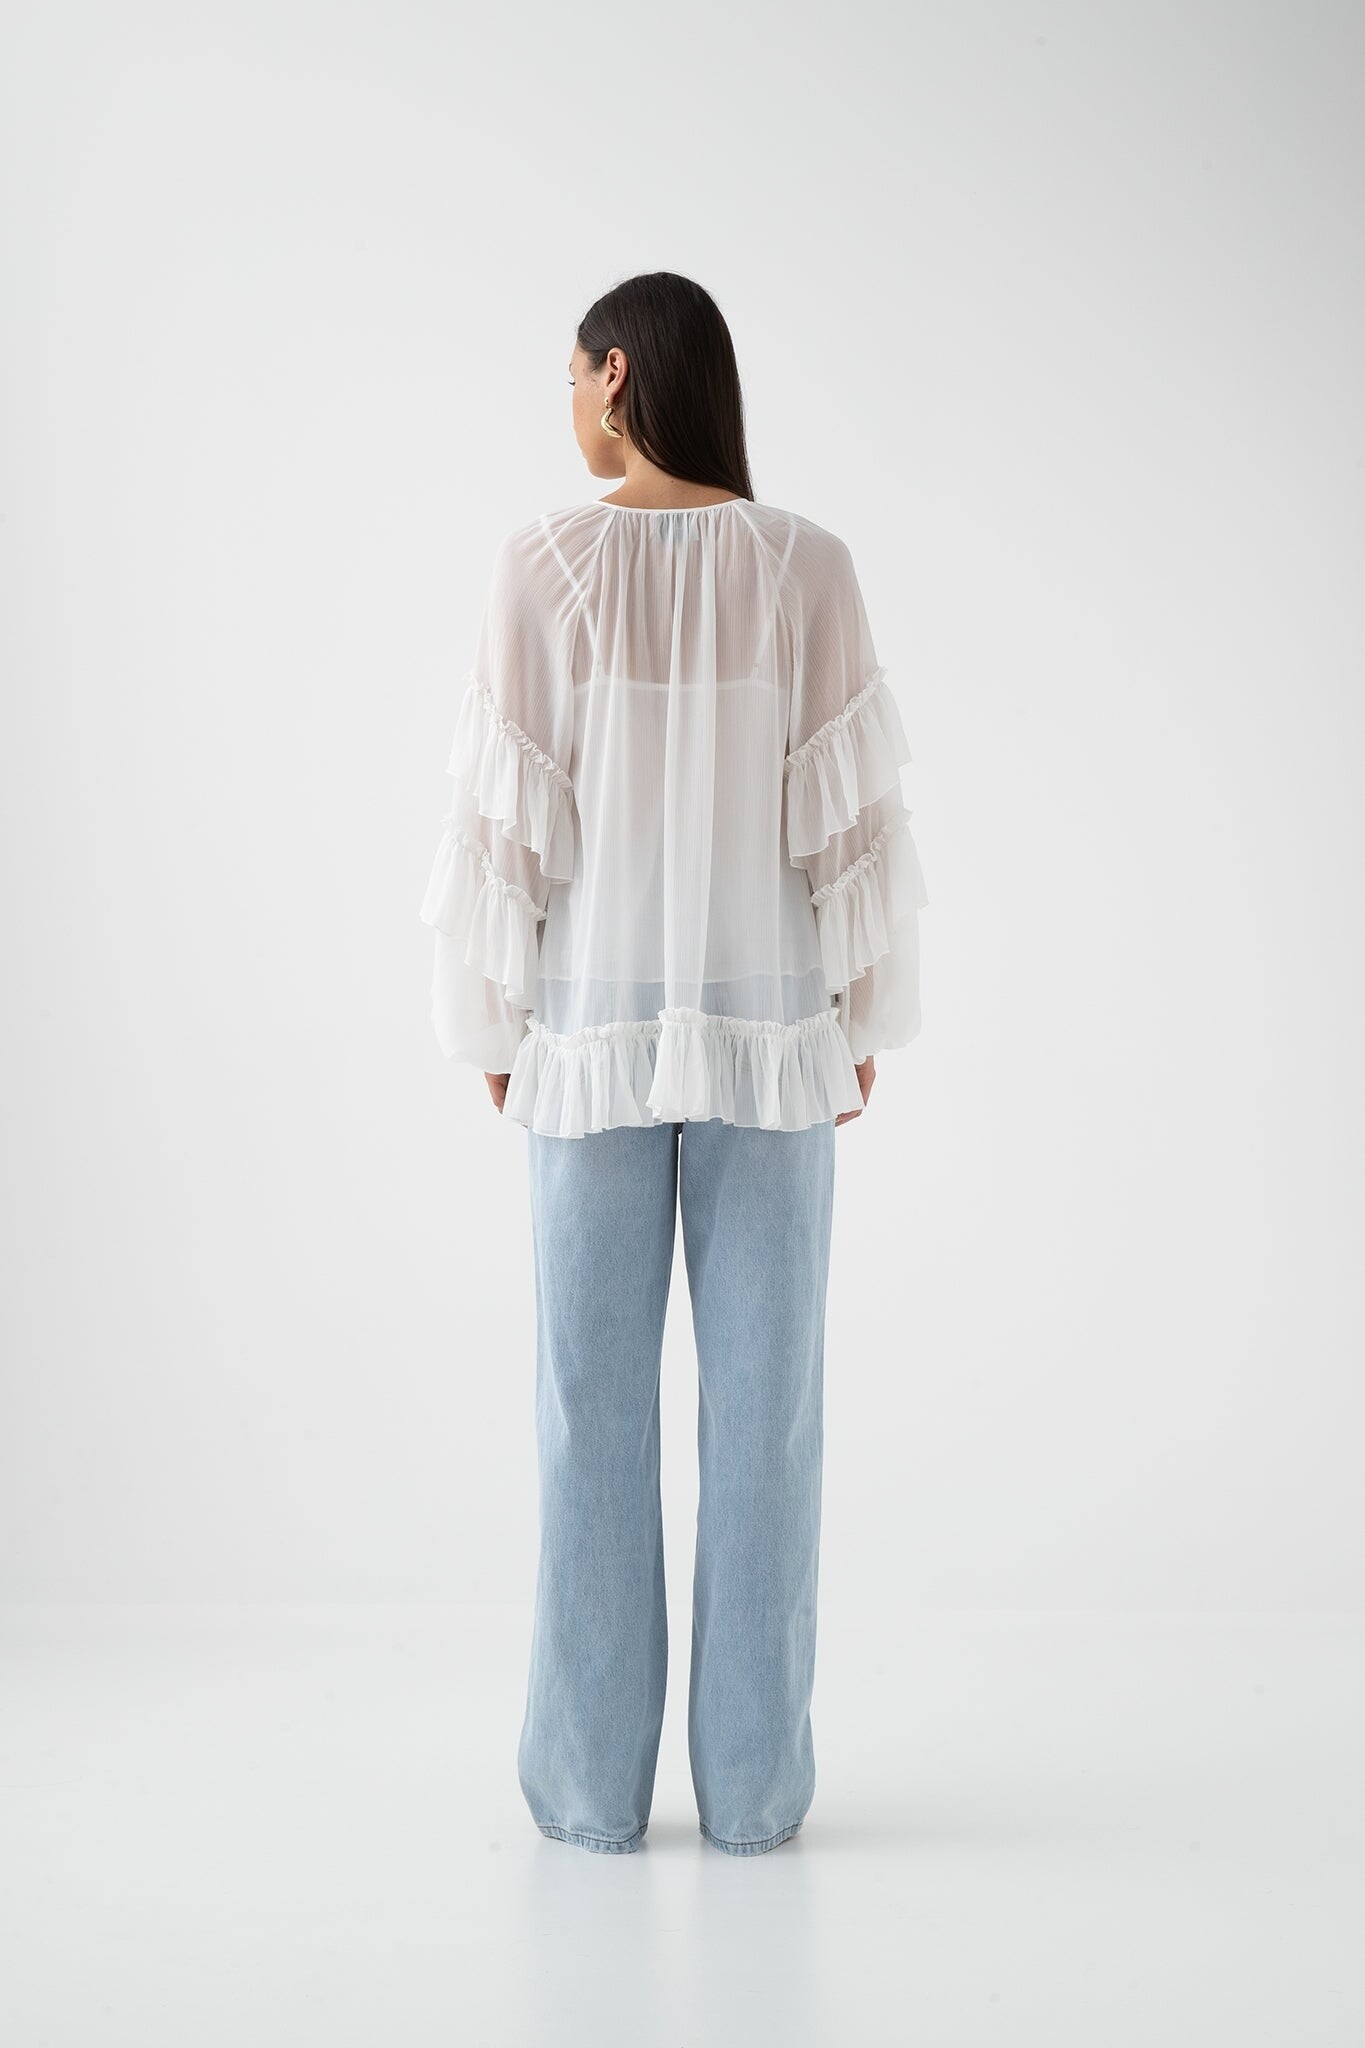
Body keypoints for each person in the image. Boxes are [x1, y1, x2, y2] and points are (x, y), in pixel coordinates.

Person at [419, 270, 928, 1856]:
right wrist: (855, 1014)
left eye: (569, 377)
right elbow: (847, 814)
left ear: (615, 376)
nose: (565, 406)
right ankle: (756, 1796)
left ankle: (587, 1797)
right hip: (773, 1041)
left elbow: (506, 813)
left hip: (586, 1038)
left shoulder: (540, 565)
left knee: (589, 1416)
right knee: (768, 1422)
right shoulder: (807, 567)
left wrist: (494, 1020)